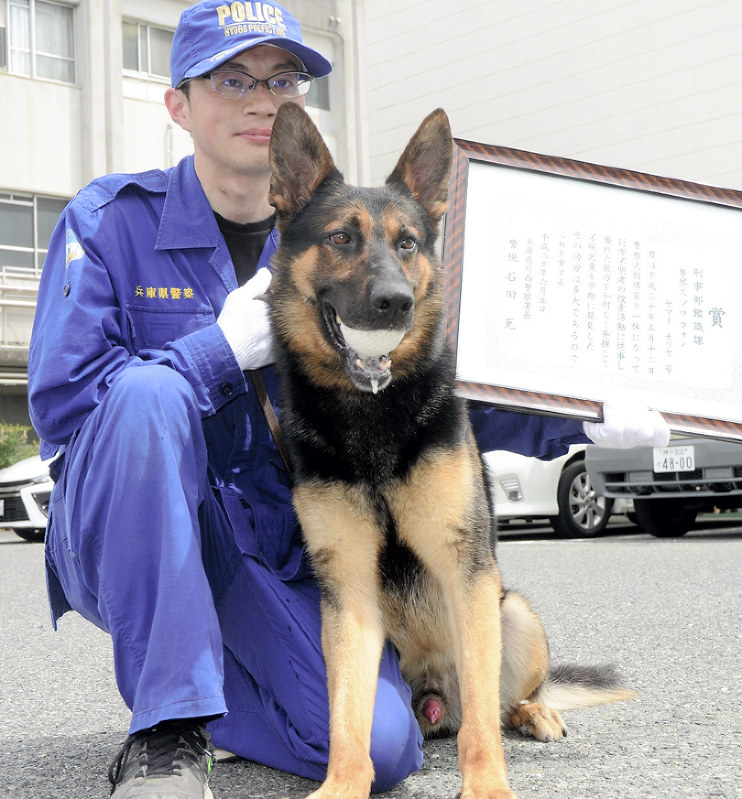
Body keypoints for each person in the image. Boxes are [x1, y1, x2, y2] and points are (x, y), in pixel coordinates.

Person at [27, 2, 670, 797]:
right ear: (178, 105)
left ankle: (214, 692)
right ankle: (167, 730)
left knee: (387, 749)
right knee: (153, 394)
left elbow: (428, 391)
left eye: (284, 78)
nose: (263, 99)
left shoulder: (333, 238)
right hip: (129, 530)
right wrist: (213, 352)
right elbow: (68, 413)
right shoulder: (110, 220)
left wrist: (586, 417)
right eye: (232, 79)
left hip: (259, 550)